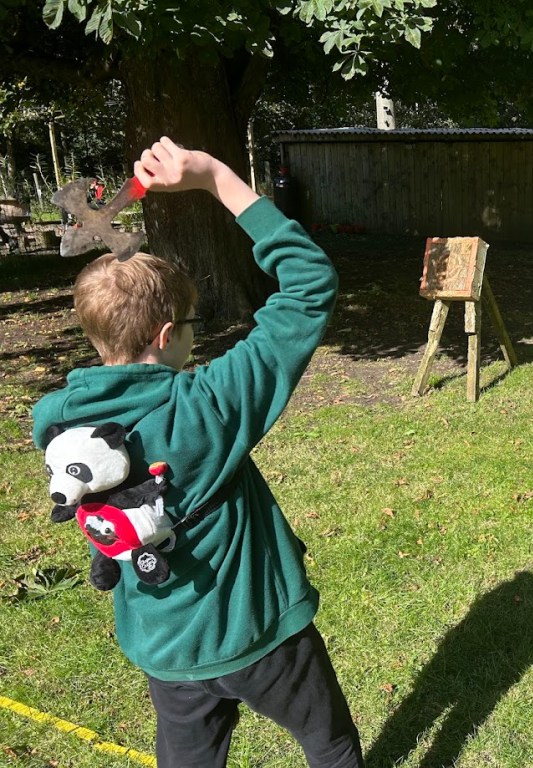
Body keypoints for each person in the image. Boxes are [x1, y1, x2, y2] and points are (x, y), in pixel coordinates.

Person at [32, 137, 364, 768]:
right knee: (331, 746)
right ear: (166, 335)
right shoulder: (208, 406)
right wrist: (215, 178)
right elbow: (309, 283)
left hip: (166, 647)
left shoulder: (55, 423)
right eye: (190, 325)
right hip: (259, 633)